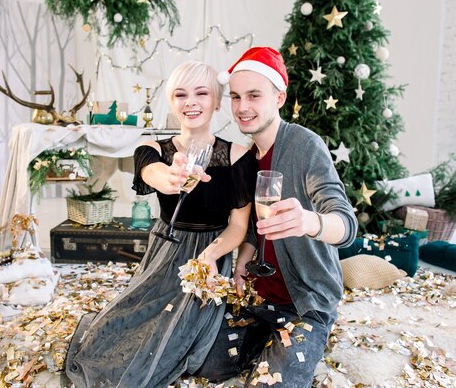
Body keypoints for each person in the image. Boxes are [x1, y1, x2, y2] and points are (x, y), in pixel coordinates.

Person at [65, 60, 258, 388]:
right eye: (181, 94)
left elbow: (239, 226)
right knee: (117, 329)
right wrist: (169, 177)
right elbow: (149, 170)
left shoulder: (240, 156)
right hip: (165, 253)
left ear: (216, 101)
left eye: (201, 93)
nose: (191, 102)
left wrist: (210, 256)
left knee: (179, 338)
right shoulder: (153, 148)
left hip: (212, 254)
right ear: (171, 101)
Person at [196, 47, 358, 387]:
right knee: (206, 365)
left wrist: (310, 222)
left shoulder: (304, 145)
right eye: (236, 97)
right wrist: (243, 259)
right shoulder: (247, 156)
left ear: (279, 97)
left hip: (305, 301)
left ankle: (306, 339)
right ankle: (268, 341)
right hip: (260, 298)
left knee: (273, 384)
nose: (242, 107)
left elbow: (345, 223)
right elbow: (256, 228)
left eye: (254, 95)